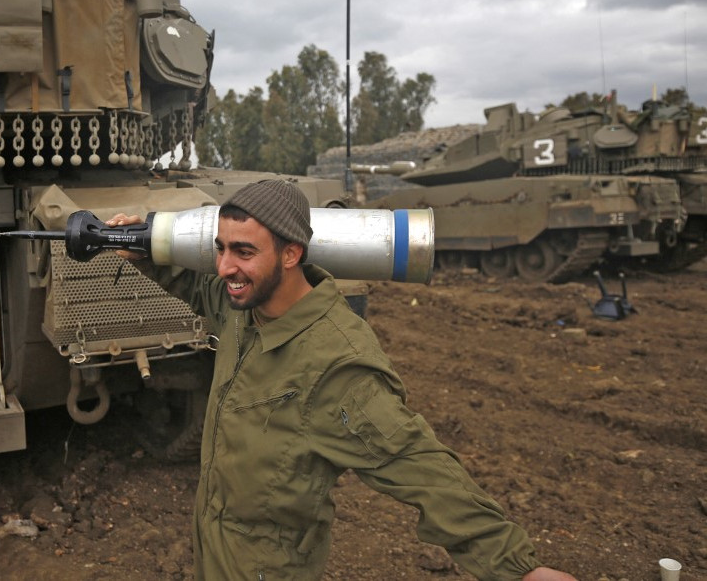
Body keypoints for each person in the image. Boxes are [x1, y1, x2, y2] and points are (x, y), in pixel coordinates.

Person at [106, 178, 576, 581]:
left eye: (244, 251)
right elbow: (198, 288)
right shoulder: (242, 306)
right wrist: (144, 254)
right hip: (215, 546)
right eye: (221, 248)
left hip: (266, 567)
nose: (226, 266)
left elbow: (419, 465)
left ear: (291, 254)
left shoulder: (335, 364)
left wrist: (517, 567)